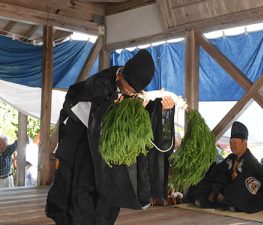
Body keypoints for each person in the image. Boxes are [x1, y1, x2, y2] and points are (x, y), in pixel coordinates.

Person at [46, 49, 175, 225]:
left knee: (108, 198)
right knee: (80, 197)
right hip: (83, 147)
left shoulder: (133, 92)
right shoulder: (97, 85)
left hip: (108, 158)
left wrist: (163, 109)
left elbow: (144, 113)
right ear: (120, 76)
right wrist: (118, 104)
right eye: (130, 88)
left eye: (136, 91)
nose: (131, 93)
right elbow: (92, 111)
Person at [184, 121, 263, 213]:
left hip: (252, 192)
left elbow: (257, 181)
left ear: (244, 143)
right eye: (230, 143)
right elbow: (218, 171)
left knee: (244, 182)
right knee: (210, 173)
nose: (232, 146)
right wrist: (216, 187)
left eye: (235, 143)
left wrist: (231, 182)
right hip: (225, 189)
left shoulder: (252, 162)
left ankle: (228, 201)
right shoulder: (231, 158)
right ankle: (211, 199)